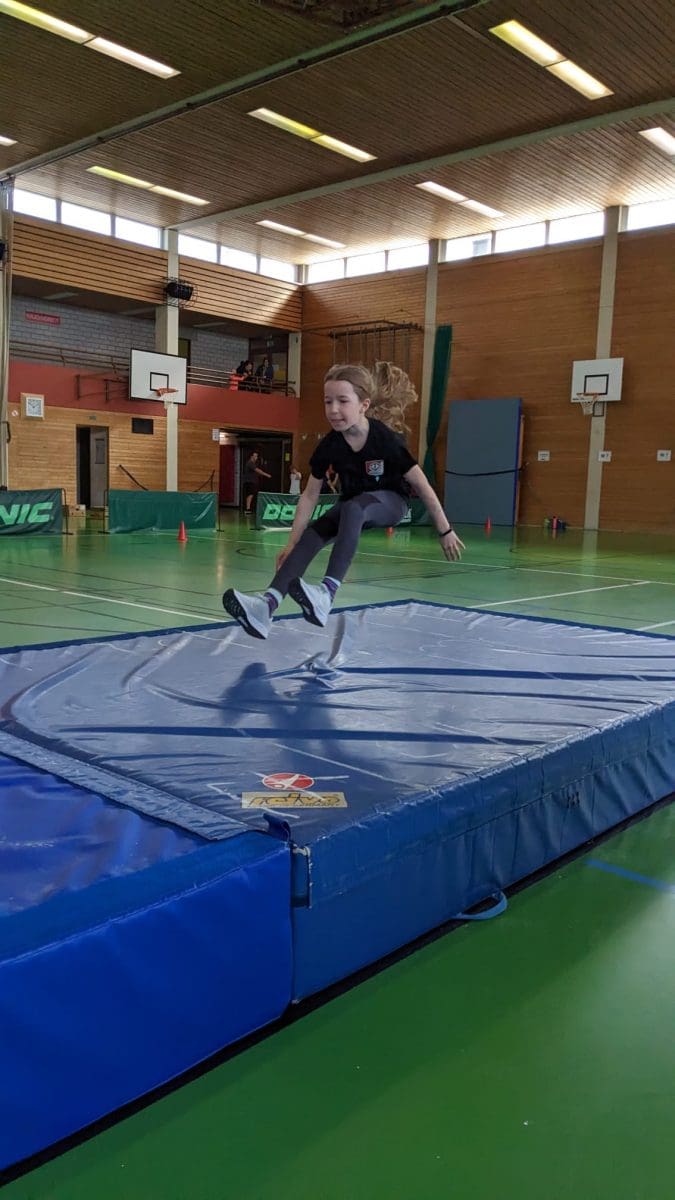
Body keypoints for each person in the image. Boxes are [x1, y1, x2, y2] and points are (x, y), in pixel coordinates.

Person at [223, 362, 464, 638]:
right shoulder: (330, 445)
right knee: (312, 535)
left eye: (342, 401)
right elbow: (310, 495)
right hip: (352, 505)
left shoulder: (386, 440)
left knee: (354, 507)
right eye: (328, 402)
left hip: (390, 503)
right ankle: (266, 607)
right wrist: (292, 543)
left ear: (363, 405)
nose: (333, 409)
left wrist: (445, 530)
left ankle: (326, 593)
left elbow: (422, 485)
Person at [242, 450, 271, 516]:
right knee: (250, 495)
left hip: (252, 482)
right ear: (251, 456)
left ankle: (248, 508)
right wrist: (266, 475)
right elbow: (258, 470)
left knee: (251, 494)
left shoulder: (254, 463)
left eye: (257, 456)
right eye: (255, 456)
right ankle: (247, 509)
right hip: (249, 482)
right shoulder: (250, 463)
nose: (256, 457)